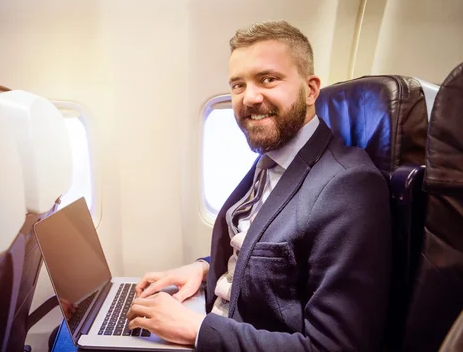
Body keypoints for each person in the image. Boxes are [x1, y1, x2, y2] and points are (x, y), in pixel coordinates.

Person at [127, 20, 392, 351]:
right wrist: (203, 268)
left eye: (268, 79)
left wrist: (197, 330)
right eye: (238, 85)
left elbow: (334, 347)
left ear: (310, 90)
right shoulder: (275, 159)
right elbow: (277, 256)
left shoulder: (348, 186)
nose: (249, 98)